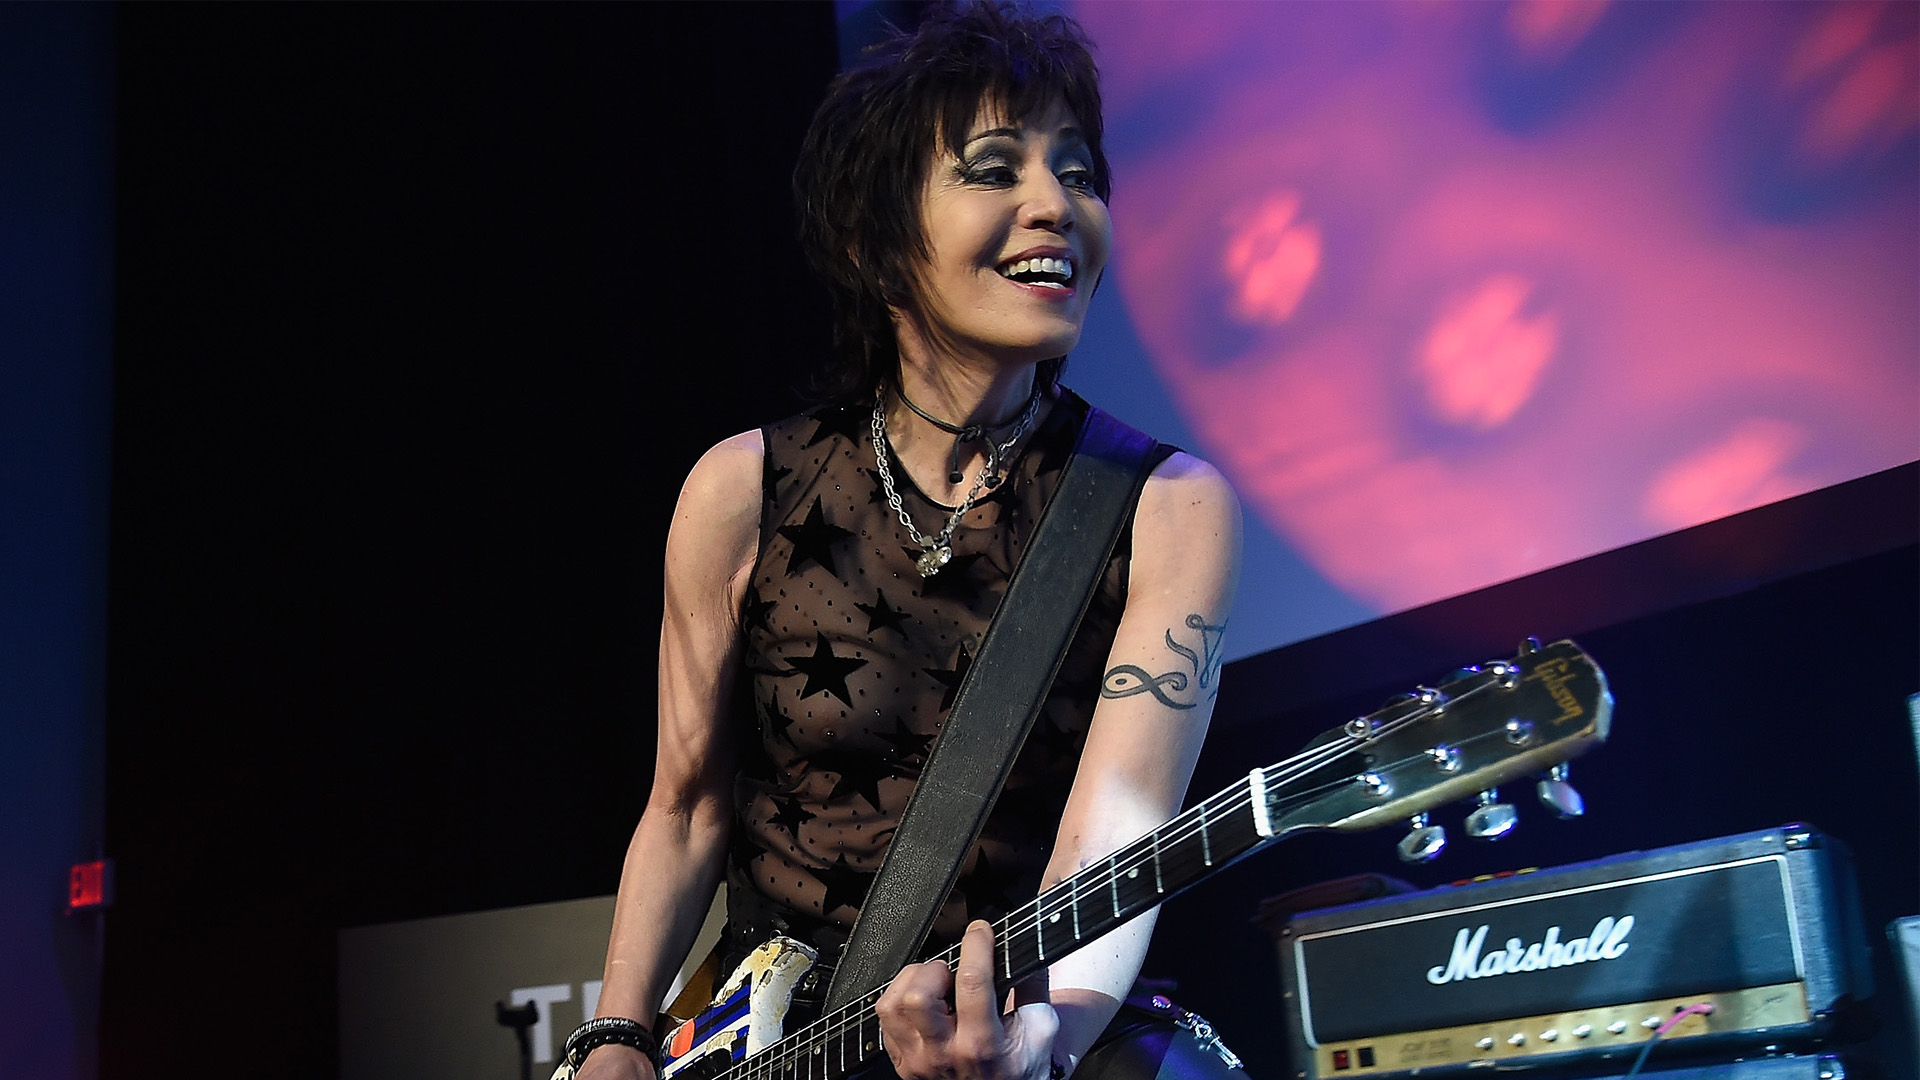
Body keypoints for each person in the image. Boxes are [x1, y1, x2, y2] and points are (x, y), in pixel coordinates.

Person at [573, 5, 1241, 1079]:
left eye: (1079, 173)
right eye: (994, 169)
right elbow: (686, 804)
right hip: (780, 1037)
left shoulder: (1167, 504)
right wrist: (615, 1032)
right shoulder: (740, 490)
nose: (1054, 207)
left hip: (1030, 996)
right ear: (874, 243)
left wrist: (1045, 1038)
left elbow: (1118, 832)